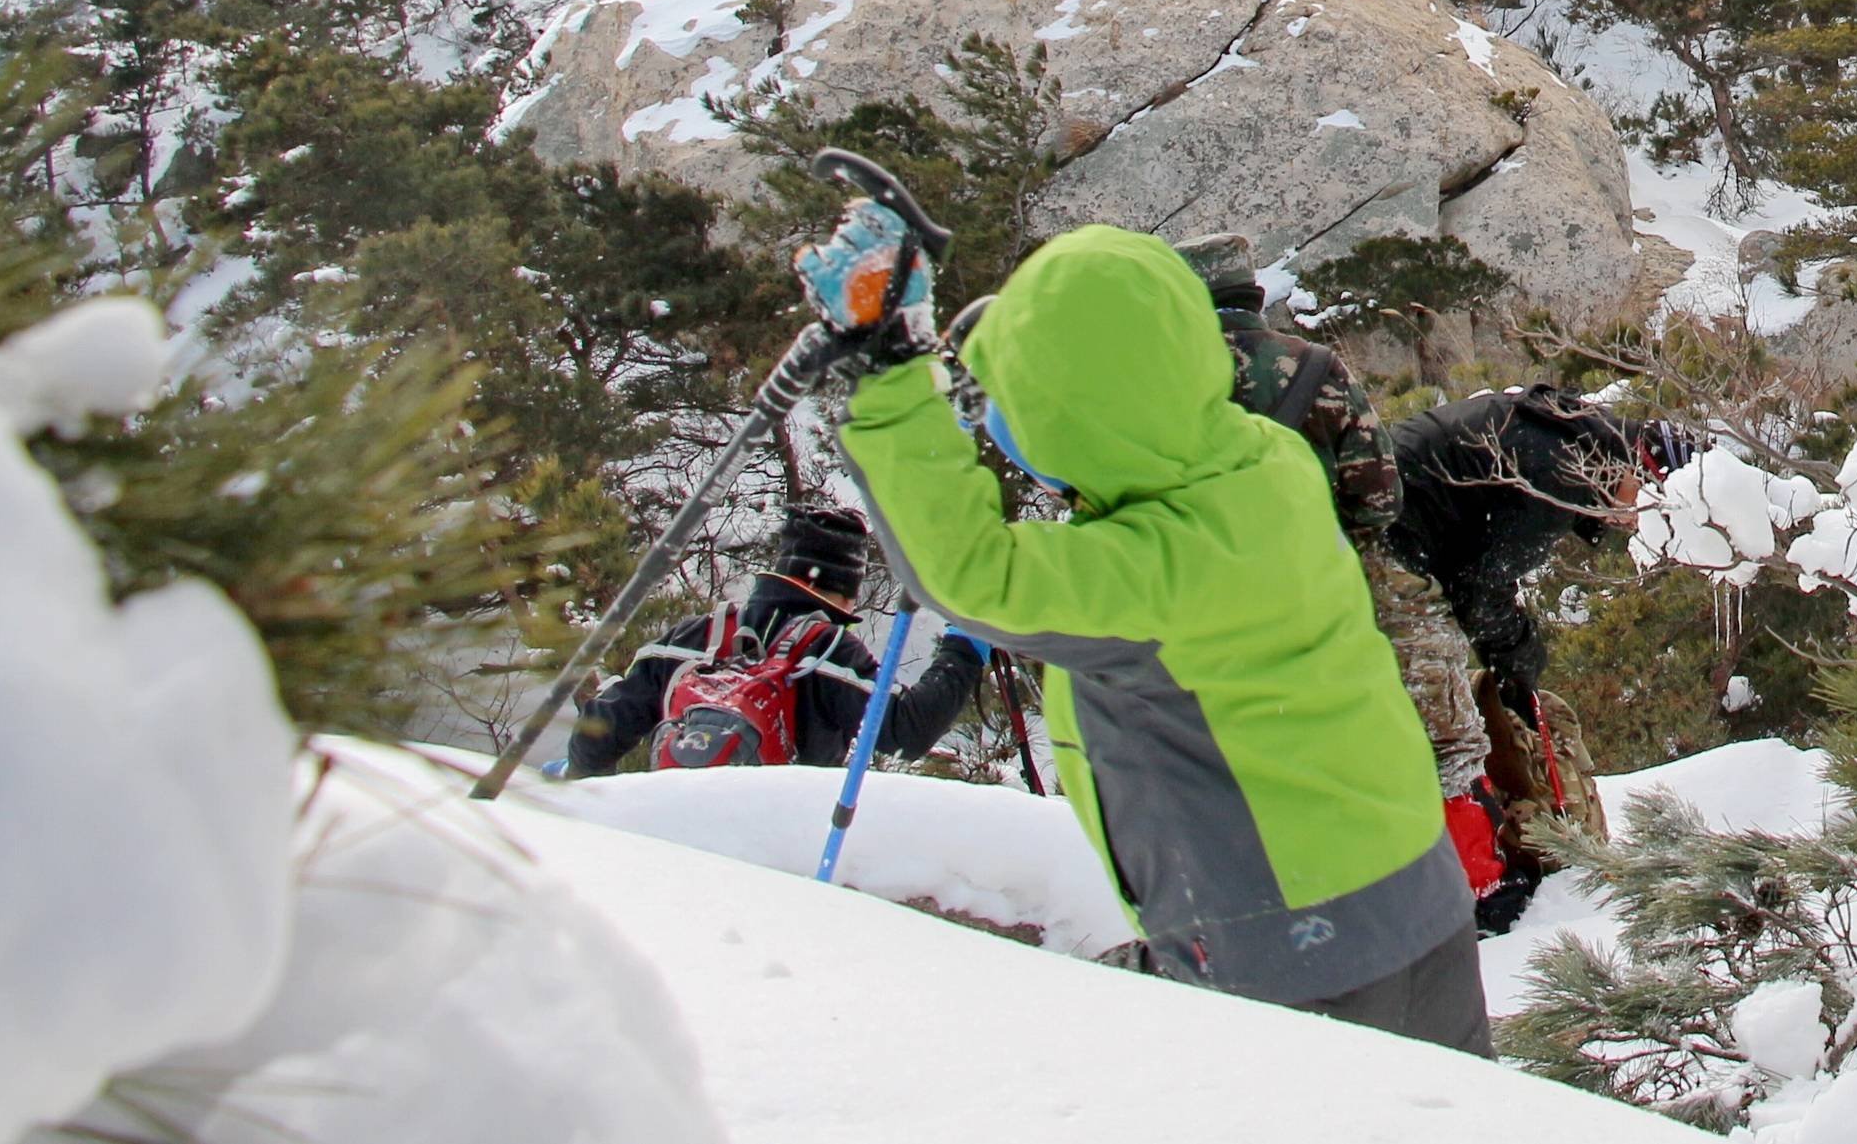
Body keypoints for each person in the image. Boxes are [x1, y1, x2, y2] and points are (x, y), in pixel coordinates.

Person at [804, 210, 1485, 1056]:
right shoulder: (1265, 463)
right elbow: (1131, 376)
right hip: (1417, 894)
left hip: (1286, 942)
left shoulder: (1151, 573)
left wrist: (892, 380)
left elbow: (969, 571)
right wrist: (1013, 345)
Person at [1385, 384, 1695, 922]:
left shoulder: (1570, 436)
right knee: (1445, 724)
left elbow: (1478, 570)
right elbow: (1480, 592)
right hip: (1384, 541)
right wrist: (1519, 659)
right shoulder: (1561, 473)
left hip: (1386, 524)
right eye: (1648, 507)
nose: (1636, 523)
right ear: (1640, 474)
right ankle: (1480, 894)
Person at [563, 505, 985, 777]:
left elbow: (596, 730)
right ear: (842, 592)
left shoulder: (694, 637)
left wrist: (592, 798)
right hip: (769, 843)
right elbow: (907, 728)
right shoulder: (825, 650)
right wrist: (964, 645)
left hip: (677, 827)